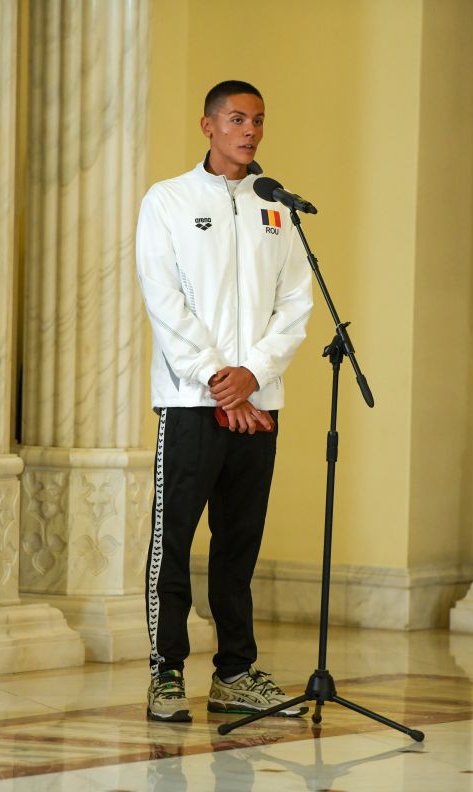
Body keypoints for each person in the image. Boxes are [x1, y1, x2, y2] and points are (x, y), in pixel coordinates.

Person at [136, 80, 314, 722]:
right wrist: (219, 378)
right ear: (208, 125)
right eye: (238, 119)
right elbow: (164, 297)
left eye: (259, 121)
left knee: (239, 543)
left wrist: (253, 374)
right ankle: (166, 673)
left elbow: (296, 302)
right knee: (174, 540)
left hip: (258, 402)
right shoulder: (170, 201)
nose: (251, 131)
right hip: (190, 401)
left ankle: (236, 671)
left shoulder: (277, 206)